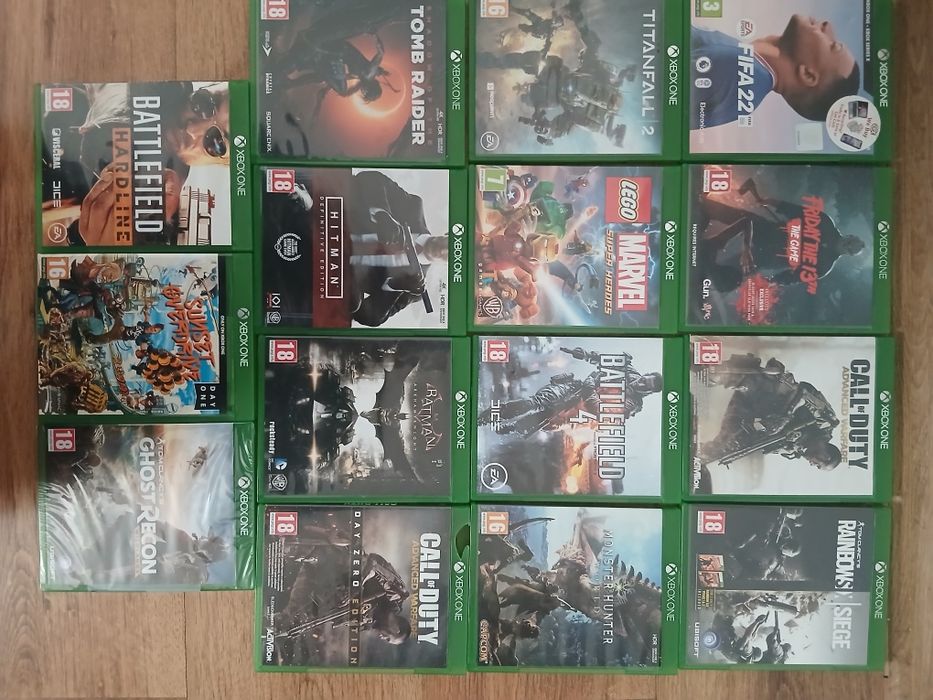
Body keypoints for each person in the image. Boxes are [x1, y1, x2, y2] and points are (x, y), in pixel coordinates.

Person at [691, 14, 860, 129]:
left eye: (833, 45)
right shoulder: (747, 72)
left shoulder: (740, 72)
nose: (827, 26)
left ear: (808, 74)